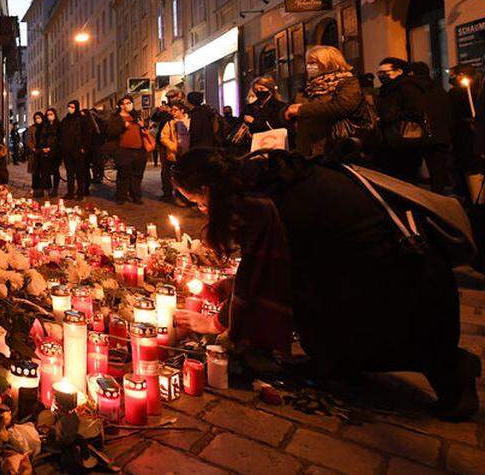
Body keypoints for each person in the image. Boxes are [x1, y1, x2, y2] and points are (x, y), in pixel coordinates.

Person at [173, 149, 479, 421]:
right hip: (374, 266)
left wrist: (215, 322)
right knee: (319, 314)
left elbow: (263, 274)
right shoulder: (265, 177)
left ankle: (452, 372)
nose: (201, 210)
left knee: (364, 327)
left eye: (197, 203)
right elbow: (271, 264)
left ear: (207, 189)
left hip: (398, 279)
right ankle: (337, 366)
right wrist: (231, 285)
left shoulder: (260, 202)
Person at [283, 45, 365, 159]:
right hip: (306, 147)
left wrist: (301, 109)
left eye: (313, 63)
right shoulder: (309, 86)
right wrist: (286, 112)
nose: (309, 67)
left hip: (332, 146)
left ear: (329, 62)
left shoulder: (347, 83)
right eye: (308, 63)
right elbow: (289, 108)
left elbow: (341, 106)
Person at [375, 57, 428, 182]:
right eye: (379, 73)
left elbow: (416, 112)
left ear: (399, 71)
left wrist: (386, 118)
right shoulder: (387, 89)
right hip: (391, 139)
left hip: (404, 141)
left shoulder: (407, 87)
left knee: (405, 178)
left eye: (385, 72)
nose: (381, 75)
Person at [411, 61, 455, 194]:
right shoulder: (438, 88)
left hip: (418, 134)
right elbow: (447, 112)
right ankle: (439, 197)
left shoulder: (413, 90)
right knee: (437, 171)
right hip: (439, 135)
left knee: (413, 170)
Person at [106, 95, 149, 204]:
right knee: (123, 175)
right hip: (123, 150)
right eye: (126, 103)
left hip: (139, 150)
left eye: (130, 102)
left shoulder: (136, 116)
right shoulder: (116, 117)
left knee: (137, 175)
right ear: (121, 106)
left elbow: (144, 129)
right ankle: (121, 197)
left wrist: (143, 125)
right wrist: (122, 126)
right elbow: (111, 133)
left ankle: (136, 196)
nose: (129, 105)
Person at [449, 65, 483, 201]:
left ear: (461, 75)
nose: (450, 76)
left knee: (469, 168)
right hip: (469, 137)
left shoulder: (457, 93)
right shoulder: (476, 91)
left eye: (452, 74)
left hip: (466, 139)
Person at [158, 100, 190, 202]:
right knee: (172, 175)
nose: (173, 112)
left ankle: (185, 197)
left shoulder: (190, 121)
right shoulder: (170, 123)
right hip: (175, 154)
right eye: (171, 110)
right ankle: (172, 195)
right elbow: (163, 137)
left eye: (175, 110)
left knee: (185, 176)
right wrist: (174, 147)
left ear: (182, 110)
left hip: (188, 153)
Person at [58, 101, 92, 199]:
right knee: (69, 173)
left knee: (79, 173)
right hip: (67, 150)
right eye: (69, 106)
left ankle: (80, 192)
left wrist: (83, 147)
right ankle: (70, 192)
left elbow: (87, 134)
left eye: (72, 107)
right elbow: (61, 134)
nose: (70, 108)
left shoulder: (82, 119)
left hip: (78, 150)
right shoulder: (65, 120)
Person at [42, 108, 63, 196]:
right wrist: (44, 147)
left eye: (51, 114)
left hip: (56, 151)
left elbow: (60, 139)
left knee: (55, 171)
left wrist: (52, 148)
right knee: (46, 171)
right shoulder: (45, 125)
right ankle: (48, 188)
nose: (49, 116)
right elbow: (43, 138)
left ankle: (55, 189)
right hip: (46, 151)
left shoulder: (59, 125)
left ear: (54, 115)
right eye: (48, 114)